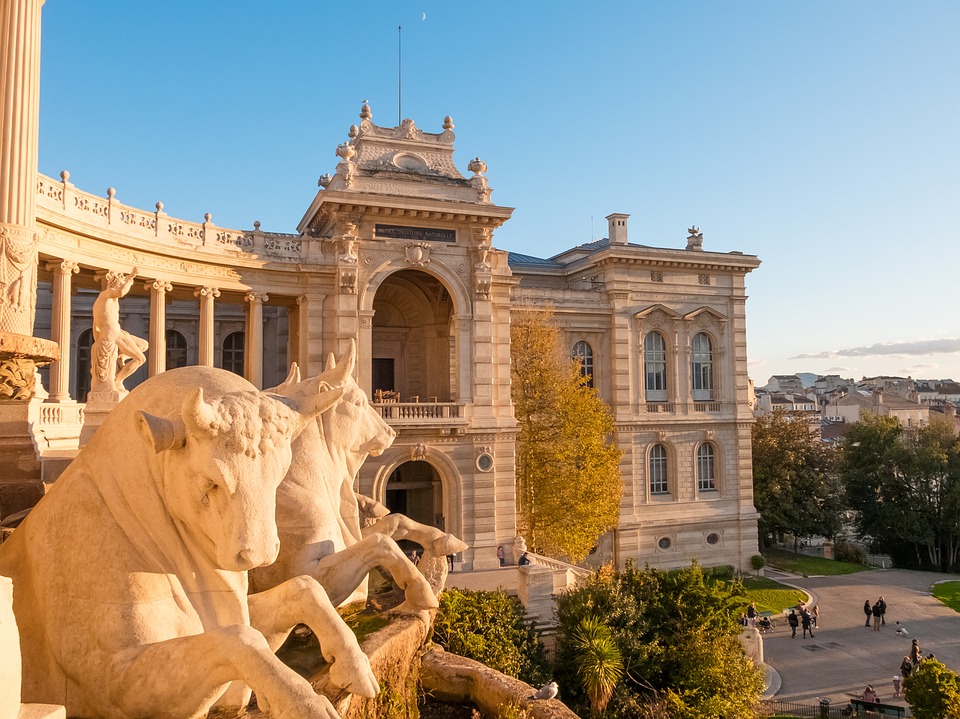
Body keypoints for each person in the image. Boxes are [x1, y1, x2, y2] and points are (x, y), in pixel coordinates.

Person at [91, 267, 148, 393]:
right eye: (120, 284)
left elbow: (95, 326)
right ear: (114, 285)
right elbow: (121, 292)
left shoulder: (111, 301)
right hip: (112, 334)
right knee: (140, 359)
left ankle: (121, 357)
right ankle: (118, 381)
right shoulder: (105, 294)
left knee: (143, 345)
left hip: (118, 332)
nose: (122, 286)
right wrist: (130, 278)